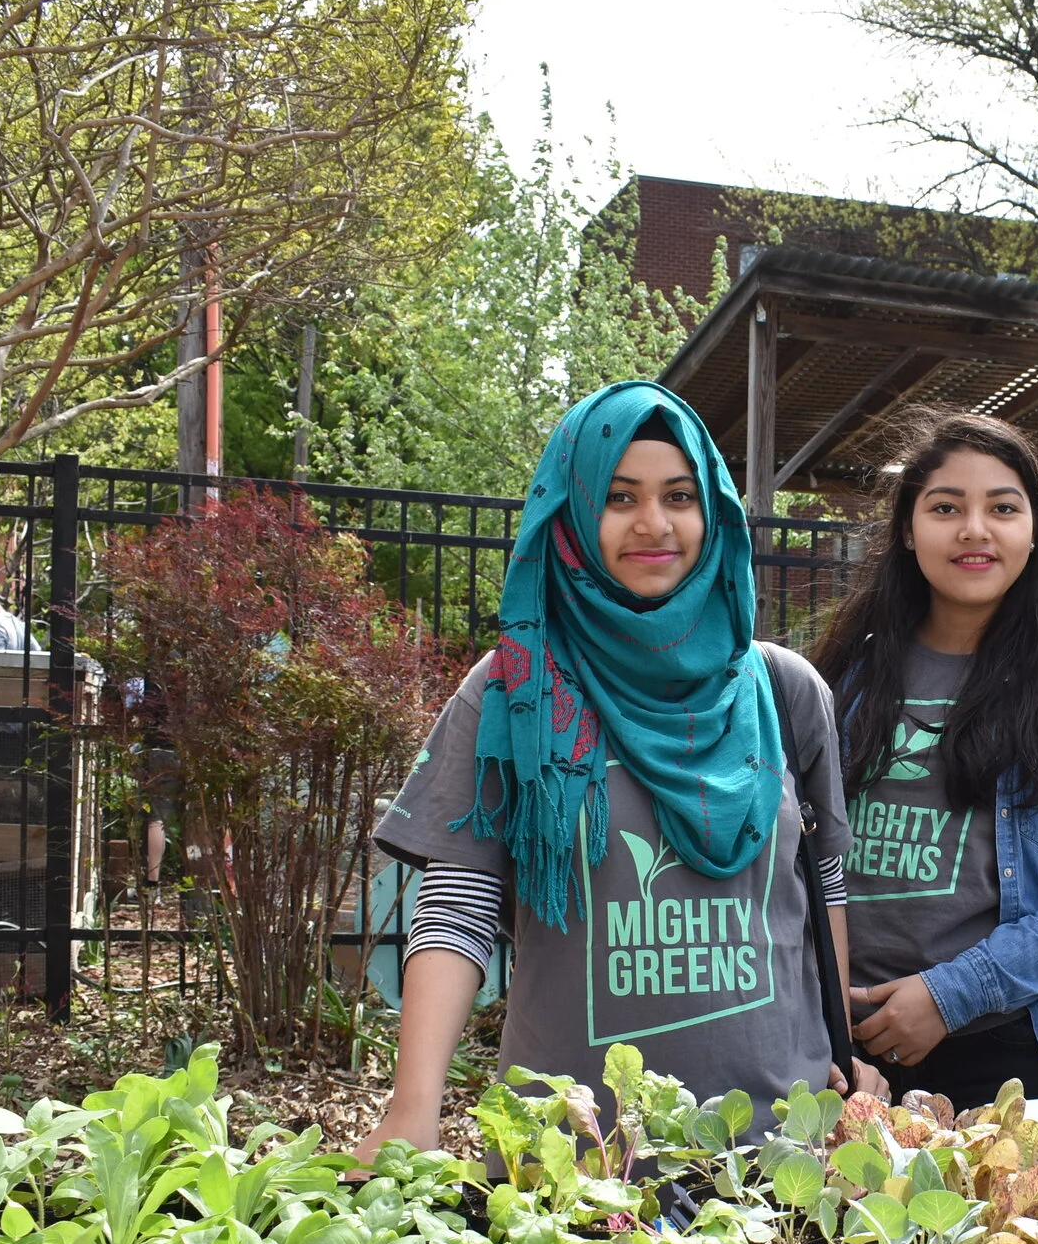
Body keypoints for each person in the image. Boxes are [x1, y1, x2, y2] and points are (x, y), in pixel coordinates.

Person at [356, 381, 877, 1157]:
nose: (654, 524)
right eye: (619, 497)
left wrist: (839, 1044)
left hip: (775, 1158)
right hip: (570, 1168)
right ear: (571, 511)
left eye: (679, 496)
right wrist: (413, 1108)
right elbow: (459, 907)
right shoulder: (515, 690)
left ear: (714, 512)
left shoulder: (783, 691)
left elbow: (821, 881)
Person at [810, 413, 1038, 1109]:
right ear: (908, 530)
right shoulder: (836, 683)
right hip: (845, 1057)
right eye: (945, 508)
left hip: (1015, 1051)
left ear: (1034, 531)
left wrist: (951, 994)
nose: (974, 530)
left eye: (1002, 508)